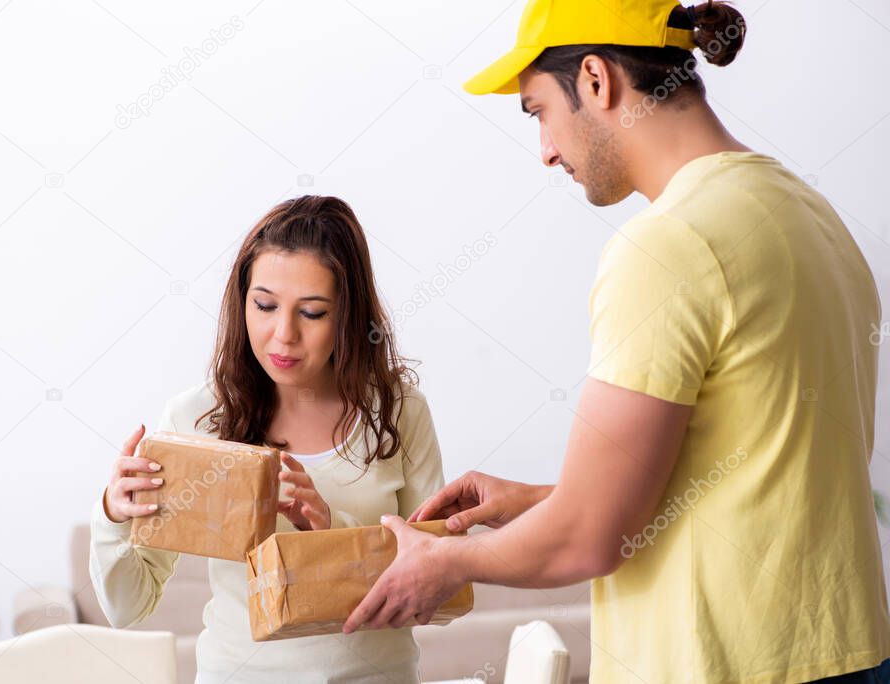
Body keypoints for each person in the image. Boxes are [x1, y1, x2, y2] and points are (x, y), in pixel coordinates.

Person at [344, 1, 890, 681]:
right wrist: (543, 500)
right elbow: (748, 476)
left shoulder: (670, 246)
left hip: (721, 665)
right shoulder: (812, 216)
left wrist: (446, 562)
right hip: (845, 651)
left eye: (538, 110)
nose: (545, 150)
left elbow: (591, 535)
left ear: (597, 81)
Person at [90, 195, 445, 683]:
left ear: (347, 314)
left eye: (313, 313)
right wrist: (112, 515)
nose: (283, 335)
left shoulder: (399, 412)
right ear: (242, 303)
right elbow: (128, 608)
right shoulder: (197, 418)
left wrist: (329, 531)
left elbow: (439, 584)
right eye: (264, 305)